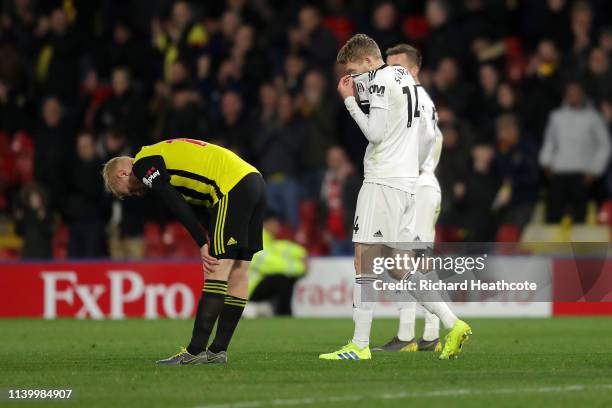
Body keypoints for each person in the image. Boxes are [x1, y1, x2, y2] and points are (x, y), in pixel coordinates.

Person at [319, 34, 470, 361]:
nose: (355, 79)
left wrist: (348, 100)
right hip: (407, 182)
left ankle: (359, 345)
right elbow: (428, 138)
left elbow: (374, 133)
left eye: (356, 71)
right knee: (400, 266)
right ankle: (452, 322)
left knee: (364, 260)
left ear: (371, 62)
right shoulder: (414, 86)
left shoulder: (381, 79)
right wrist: (409, 167)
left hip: (383, 181)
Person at [102, 138, 266, 365]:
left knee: (216, 269)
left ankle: (195, 350)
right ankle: (218, 350)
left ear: (122, 173)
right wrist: (209, 233)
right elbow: (196, 201)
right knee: (238, 272)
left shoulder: (142, 163)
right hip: (253, 180)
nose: (137, 194)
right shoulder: (162, 156)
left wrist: (201, 242)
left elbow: (174, 202)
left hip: (231, 186)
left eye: (129, 191)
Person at [370, 43, 444, 353]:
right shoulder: (411, 101)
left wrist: (411, 171)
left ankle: (416, 334)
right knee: (407, 260)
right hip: (417, 184)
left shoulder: (416, 101)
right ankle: (424, 334)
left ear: (414, 71)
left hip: (418, 185)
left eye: (397, 69)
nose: (390, 75)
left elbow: (427, 140)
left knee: (409, 260)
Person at [539, 81, 610, 223]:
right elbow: (549, 142)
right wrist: (545, 163)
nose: (573, 96)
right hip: (558, 173)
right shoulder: (556, 116)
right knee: (553, 216)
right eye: (570, 93)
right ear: (565, 96)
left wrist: (595, 170)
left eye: (576, 93)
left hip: (582, 175)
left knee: (580, 219)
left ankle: (578, 246)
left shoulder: (593, 117)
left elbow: (605, 145)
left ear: (582, 95)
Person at [247, 211, 307, 316]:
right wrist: (301, 267)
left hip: (254, 288)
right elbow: (272, 265)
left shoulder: (267, 241)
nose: (278, 226)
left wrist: (302, 254)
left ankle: (281, 312)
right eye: (276, 223)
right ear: (267, 223)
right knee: (281, 280)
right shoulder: (253, 242)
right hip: (247, 291)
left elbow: (284, 248)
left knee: (285, 279)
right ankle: (284, 314)